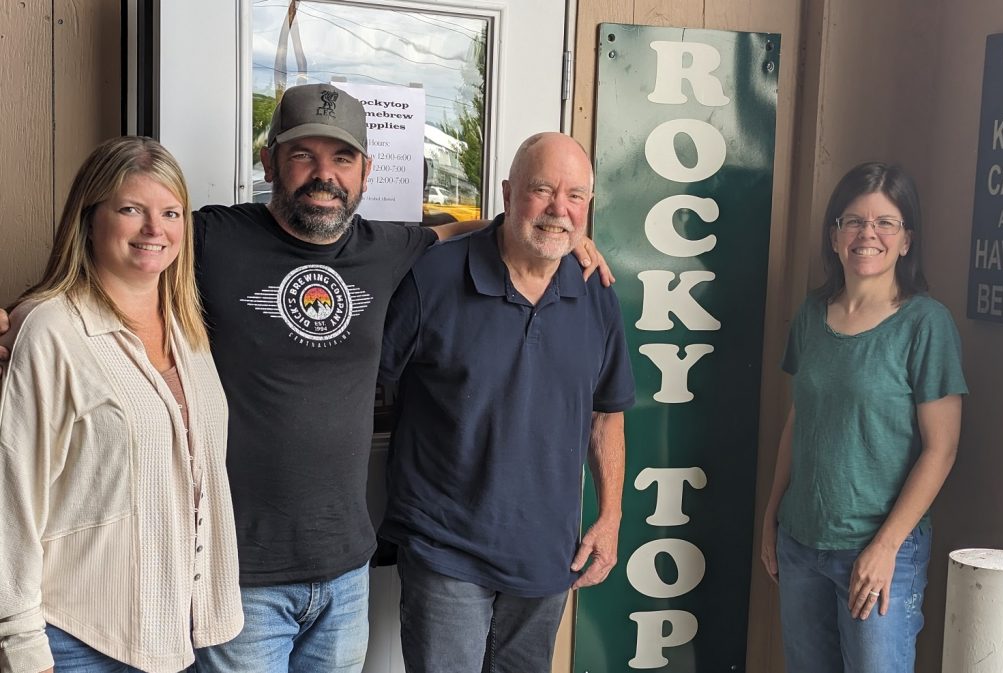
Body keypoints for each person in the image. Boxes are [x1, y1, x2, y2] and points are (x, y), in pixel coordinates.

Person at [177, 85, 609, 672]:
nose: (324, 175)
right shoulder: (212, 238)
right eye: (303, 155)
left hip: (347, 573)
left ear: (365, 172)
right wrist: (33, 312)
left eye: (343, 158)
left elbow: (475, 232)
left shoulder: (386, 248)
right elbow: (124, 259)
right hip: (244, 569)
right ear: (270, 162)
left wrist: (562, 232)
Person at [378, 132, 635, 673]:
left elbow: (606, 414)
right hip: (446, 550)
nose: (558, 209)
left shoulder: (595, 290)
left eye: (575, 196)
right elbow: (364, 387)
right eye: (541, 190)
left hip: (547, 557)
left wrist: (610, 516)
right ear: (507, 192)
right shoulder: (435, 278)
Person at [0, 137, 242, 673]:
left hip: (171, 633)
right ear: (89, 219)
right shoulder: (49, 330)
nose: (155, 230)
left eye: (170, 212)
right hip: (75, 639)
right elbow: (10, 498)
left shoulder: (189, 332)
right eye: (131, 209)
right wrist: (20, 645)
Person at [759, 162, 967, 672]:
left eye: (885, 223)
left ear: (906, 239)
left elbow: (941, 449)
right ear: (834, 237)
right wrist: (772, 514)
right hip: (802, 543)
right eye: (852, 221)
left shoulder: (925, 324)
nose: (867, 234)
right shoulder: (811, 314)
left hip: (879, 555)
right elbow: (799, 420)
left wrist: (885, 547)